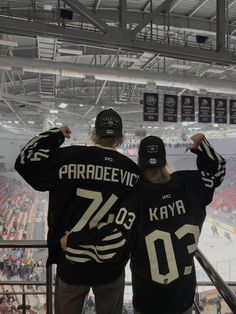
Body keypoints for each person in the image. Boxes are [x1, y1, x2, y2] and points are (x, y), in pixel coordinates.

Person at [14, 109, 140, 314]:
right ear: (120, 138)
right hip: (111, 266)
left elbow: (24, 160)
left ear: (94, 133)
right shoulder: (133, 172)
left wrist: (54, 136)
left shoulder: (66, 158)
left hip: (70, 261)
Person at [123, 133, 226, 314]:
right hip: (182, 296)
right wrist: (202, 146)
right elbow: (218, 169)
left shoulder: (133, 195)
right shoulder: (190, 184)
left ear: (139, 160)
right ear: (164, 160)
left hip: (147, 298)